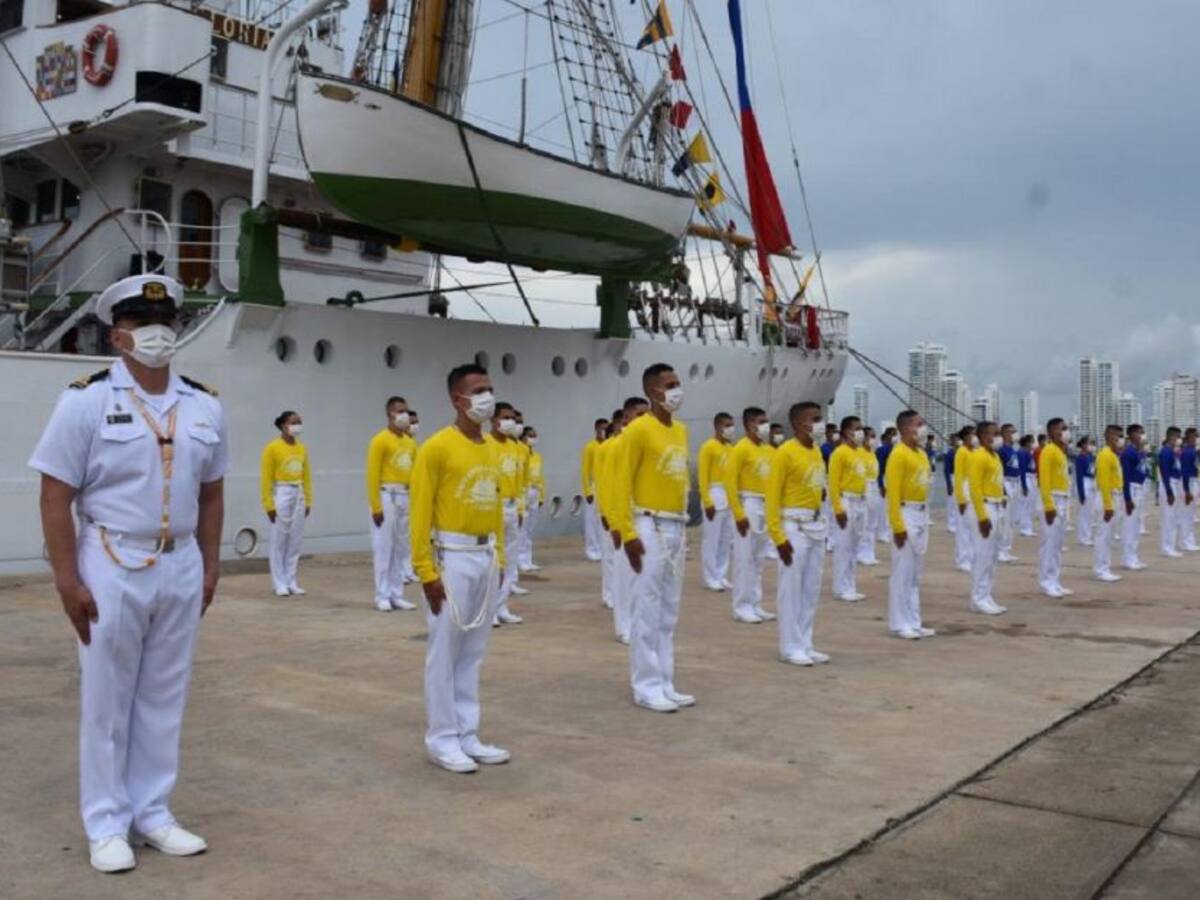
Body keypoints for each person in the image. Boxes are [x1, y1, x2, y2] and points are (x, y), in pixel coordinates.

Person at [30, 273, 227, 872]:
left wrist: (211, 566)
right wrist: (67, 580)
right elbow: (55, 494)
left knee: (165, 694)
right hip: (112, 558)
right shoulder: (85, 400)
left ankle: (153, 813)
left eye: (165, 322)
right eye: (142, 323)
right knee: (107, 699)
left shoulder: (204, 404)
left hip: (180, 560)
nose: (157, 333)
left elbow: (212, 493)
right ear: (117, 334)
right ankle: (106, 822)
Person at [409, 363, 510, 773]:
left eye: (489, 389)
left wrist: (501, 558)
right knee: (445, 652)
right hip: (452, 555)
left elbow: (497, 506)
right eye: (479, 390)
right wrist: (426, 571)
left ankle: (468, 733)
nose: (487, 397)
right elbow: (419, 512)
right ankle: (442, 738)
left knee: (473, 652)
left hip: (486, 555)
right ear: (457, 399)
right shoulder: (436, 447)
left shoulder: (492, 449)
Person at [614, 364, 693, 713]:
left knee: (668, 610)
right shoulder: (638, 430)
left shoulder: (681, 431)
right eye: (669, 385)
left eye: (677, 383)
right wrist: (627, 532)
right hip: (649, 523)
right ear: (652, 391)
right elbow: (620, 481)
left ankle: (665, 680)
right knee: (646, 608)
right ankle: (646, 686)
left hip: (676, 525)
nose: (676, 390)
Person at [766, 401, 830, 665]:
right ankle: (790, 646)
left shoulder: (816, 451)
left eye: (820, 418)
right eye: (814, 419)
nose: (820, 424)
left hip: (815, 525)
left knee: (811, 589)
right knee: (791, 589)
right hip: (793, 525)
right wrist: (778, 536)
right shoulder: (785, 453)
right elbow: (772, 496)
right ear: (797, 424)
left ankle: (805, 642)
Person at [886, 410, 936, 639]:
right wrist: (898, 526)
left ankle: (914, 621)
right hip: (905, 512)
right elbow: (893, 494)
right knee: (902, 572)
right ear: (906, 428)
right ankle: (899, 623)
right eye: (919, 424)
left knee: (915, 573)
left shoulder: (921, 454)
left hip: (921, 513)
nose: (923, 428)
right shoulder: (899, 454)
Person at [602, 399, 649, 643]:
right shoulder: (616, 446)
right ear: (626, 419)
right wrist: (614, 521)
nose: (645, 419)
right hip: (623, 517)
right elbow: (609, 485)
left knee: (642, 575)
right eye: (639, 414)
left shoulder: (646, 444)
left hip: (644, 516)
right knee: (625, 576)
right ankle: (624, 626)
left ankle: (639, 621)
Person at [365, 396, 418, 612]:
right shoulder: (380, 440)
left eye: (406, 410)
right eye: (399, 411)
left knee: (400, 548)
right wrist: (376, 506)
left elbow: (414, 473)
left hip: (405, 495)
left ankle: (397, 594)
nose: (404, 415)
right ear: (389, 414)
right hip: (386, 495)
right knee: (383, 547)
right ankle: (382, 595)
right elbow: (372, 475)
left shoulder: (410, 442)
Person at [725, 406, 777, 623]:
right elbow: (730, 482)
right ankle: (741, 606)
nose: (765, 426)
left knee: (758, 559)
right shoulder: (741, 448)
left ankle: (755, 603)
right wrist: (738, 514)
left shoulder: (769, 450)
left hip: (766, 504)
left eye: (766, 422)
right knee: (744, 558)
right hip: (749, 503)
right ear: (749, 424)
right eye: (761, 422)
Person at [260, 410, 312, 597]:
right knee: (279, 539)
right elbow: (266, 478)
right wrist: (268, 504)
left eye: (299, 422)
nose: (297, 426)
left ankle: (291, 580)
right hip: (282, 491)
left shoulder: (302, 448)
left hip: (299, 492)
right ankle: (279, 582)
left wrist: (308, 499)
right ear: (283, 425)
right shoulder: (272, 448)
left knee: (295, 539)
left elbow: (306, 476)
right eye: (294, 422)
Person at [488, 402, 527, 624]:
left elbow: (519, 480)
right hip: (495, 505)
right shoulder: (486, 444)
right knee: (495, 560)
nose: (510, 422)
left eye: (512, 418)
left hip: (512, 506)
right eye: (505, 417)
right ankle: (489, 609)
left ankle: (501, 606)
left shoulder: (514, 447)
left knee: (510, 558)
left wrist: (520, 507)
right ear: (493, 420)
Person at [966, 421, 1006, 615]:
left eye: (998, 433)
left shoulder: (995, 456)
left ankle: (986, 595)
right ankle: (978, 598)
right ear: (982, 437)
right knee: (982, 555)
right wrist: (982, 517)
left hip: (997, 505)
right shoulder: (978, 456)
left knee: (992, 556)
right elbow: (975, 488)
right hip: (985, 506)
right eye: (993, 433)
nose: (998, 437)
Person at [828, 416, 869, 602]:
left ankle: (850, 585)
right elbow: (833, 483)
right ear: (846, 432)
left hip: (860, 501)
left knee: (854, 546)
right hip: (846, 500)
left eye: (861, 428)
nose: (861, 432)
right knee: (843, 546)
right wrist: (838, 509)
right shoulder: (839, 453)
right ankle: (840, 587)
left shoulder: (860, 452)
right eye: (857, 428)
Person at [698, 412, 736, 591]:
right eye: (727, 425)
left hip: (728, 495)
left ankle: (721, 574)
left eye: (732, 425)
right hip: (714, 492)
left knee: (725, 539)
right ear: (717, 426)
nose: (731, 429)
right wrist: (707, 501)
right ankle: (710, 576)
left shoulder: (730, 448)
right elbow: (703, 476)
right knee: (711, 539)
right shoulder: (708, 447)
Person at [1037, 418, 1073, 598]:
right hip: (1053, 498)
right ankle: (1046, 581)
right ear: (1052, 432)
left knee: (1058, 544)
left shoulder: (1060, 451)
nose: (1065, 432)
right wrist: (1048, 505)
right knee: (1049, 544)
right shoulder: (1048, 450)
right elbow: (1044, 480)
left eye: (1066, 428)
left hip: (1063, 498)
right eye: (1062, 429)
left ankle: (1055, 580)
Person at [594, 409, 625, 614]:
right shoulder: (605, 447)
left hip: (629, 509)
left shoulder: (631, 445)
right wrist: (604, 511)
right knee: (611, 555)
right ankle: (609, 594)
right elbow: (601, 480)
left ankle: (623, 593)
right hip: (611, 507)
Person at [1094, 425, 1125, 582]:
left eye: (1121, 436)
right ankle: (1100, 569)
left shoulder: (1113, 455)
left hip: (1115, 496)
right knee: (1103, 536)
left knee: (1109, 536)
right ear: (1109, 436)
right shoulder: (1105, 455)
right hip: (1107, 497)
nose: (1120, 440)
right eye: (1118, 436)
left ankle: (1105, 567)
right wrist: (1108, 505)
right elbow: (1104, 482)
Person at [1120, 424, 1149, 570]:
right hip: (1131, 488)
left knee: (1136, 526)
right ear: (1131, 435)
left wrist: (1143, 452)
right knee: (1129, 526)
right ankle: (1127, 558)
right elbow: (1125, 477)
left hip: (1139, 487)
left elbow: (1144, 470)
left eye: (1143, 432)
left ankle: (1134, 556)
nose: (1142, 435)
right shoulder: (1128, 453)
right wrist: (1127, 499)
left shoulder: (1139, 452)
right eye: (1139, 433)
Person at [518, 426, 546, 572]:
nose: (533, 439)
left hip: (535, 491)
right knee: (522, 528)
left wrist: (542, 494)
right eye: (530, 436)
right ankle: (520, 559)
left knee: (530, 528)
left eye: (534, 436)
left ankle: (528, 559)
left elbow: (540, 477)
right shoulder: (519, 454)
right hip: (524, 491)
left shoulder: (537, 457)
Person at [580, 419, 608, 562]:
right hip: (594, 487)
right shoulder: (590, 447)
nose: (604, 431)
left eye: (606, 428)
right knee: (592, 521)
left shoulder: (609, 445)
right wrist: (588, 491)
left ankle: (602, 548)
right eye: (601, 428)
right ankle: (592, 549)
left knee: (604, 519)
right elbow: (585, 471)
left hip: (607, 487)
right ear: (596, 429)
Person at [953, 425, 977, 572]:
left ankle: (971, 557)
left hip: (975, 489)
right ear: (966, 437)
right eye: (973, 435)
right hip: (965, 487)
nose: (975, 437)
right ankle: (962, 560)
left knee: (973, 527)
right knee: (963, 528)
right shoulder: (961, 452)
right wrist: (961, 499)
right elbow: (958, 476)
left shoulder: (975, 451)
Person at [996, 423, 1020, 563]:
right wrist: (1003, 490)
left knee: (1011, 520)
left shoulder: (1012, 450)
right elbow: (999, 471)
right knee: (1004, 520)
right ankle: (1000, 550)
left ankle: (1006, 549)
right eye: (1012, 432)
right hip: (1006, 482)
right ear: (1004, 434)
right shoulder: (1001, 450)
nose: (1014, 434)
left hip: (1015, 482)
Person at [1159, 427, 1184, 558]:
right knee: (1168, 518)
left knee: (1173, 517)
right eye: (1178, 437)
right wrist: (1169, 492)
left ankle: (1171, 546)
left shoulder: (1173, 452)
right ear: (1171, 437)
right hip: (1168, 484)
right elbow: (1165, 472)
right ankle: (1166, 547)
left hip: (1175, 483)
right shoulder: (1165, 452)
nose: (1180, 440)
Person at [859, 427, 881, 566]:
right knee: (864, 522)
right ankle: (862, 552)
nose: (873, 439)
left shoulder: (872, 453)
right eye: (871, 436)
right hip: (864, 486)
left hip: (874, 485)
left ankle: (870, 552)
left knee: (873, 522)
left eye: (874, 436)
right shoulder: (859, 453)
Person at [874, 428, 896, 544]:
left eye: (896, 434)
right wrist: (881, 485)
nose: (895, 437)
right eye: (893, 434)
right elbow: (878, 468)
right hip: (884, 477)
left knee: (892, 506)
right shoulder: (882, 450)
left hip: (894, 478)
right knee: (883, 508)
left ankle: (889, 530)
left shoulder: (897, 449)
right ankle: (882, 533)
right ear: (887, 437)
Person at [1016, 435, 1038, 537]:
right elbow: (1022, 470)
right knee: (1025, 504)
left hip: (1032, 477)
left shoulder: (1029, 453)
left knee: (1030, 504)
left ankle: (1029, 527)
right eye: (1032, 442)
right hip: (1026, 478)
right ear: (1027, 443)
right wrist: (1024, 485)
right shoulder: (1021, 453)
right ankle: (1024, 528)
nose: (1033, 444)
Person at [1181, 428, 1199, 551]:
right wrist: (1187, 490)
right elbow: (1185, 472)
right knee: (1187, 514)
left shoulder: (1194, 451)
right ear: (1189, 437)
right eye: (1195, 436)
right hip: (1189, 483)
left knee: (1191, 514)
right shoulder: (1187, 452)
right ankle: (1185, 541)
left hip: (1194, 481)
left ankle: (1190, 540)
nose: (1197, 438)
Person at [944, 433, 960, 535]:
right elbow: (946, 470)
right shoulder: (950, 453)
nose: (957, 441)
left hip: (962, 478)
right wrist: (949, 483)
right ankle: (951, 524)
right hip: (952, 477)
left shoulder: (962, 451)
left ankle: (958, 523)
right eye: (955, 439)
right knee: (952, 502)